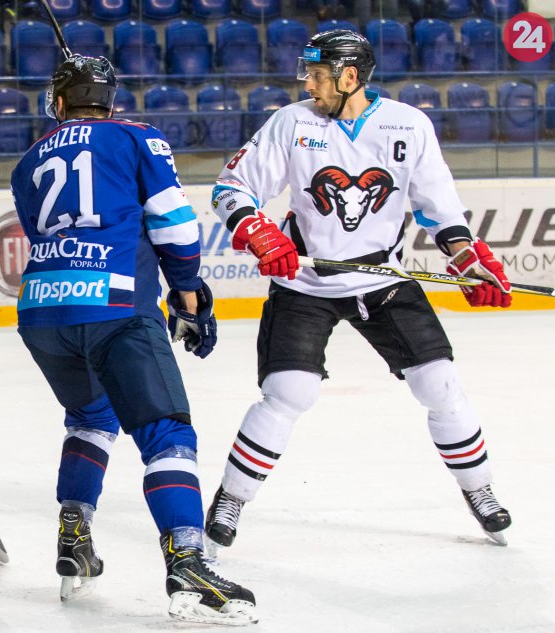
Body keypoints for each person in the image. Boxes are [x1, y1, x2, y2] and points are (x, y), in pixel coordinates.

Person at [204, 30, 514, 554]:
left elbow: (438, 206)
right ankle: (231, 498)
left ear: (350, 77)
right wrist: (258, 230)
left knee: (440, 384)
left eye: (317, 75)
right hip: (305, 283)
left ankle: (479, 491)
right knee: (290, 392)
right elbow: (230, 188)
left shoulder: (408, 124)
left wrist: (466, 257)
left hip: (383, 281)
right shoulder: (292, 122)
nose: (308, 84)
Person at [9, 55, 257, 625]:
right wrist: (187, 291)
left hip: (42, 311)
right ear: (109, 99)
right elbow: (175, 225)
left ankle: (74, 536)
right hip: (116, 306)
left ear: (60, 101)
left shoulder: (27, 160)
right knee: (166, 431)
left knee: (91, 418)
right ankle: (188, 562)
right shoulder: (138, 137)